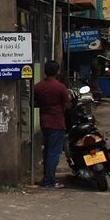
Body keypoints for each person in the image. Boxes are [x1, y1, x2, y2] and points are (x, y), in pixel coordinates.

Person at [34, 60, 71, 189]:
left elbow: (34, 103)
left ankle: (47, 178)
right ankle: (49, 181)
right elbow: (67, 104)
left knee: (47, 151)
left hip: (44, 122)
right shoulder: (60, 87)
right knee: (54, 153)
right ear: (57, 72)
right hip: (57, 122)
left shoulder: (38, 86)